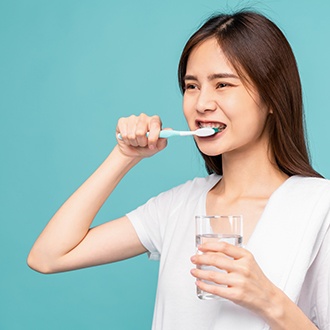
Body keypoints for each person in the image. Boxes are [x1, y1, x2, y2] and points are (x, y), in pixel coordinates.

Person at [27, 10, 330, 330]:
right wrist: (124, 155)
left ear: (272, 96)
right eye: (191, 86)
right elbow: (48, 257)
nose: (202, 104)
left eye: (223, 84)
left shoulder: (319, 207)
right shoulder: (177, 206)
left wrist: (268, 300)